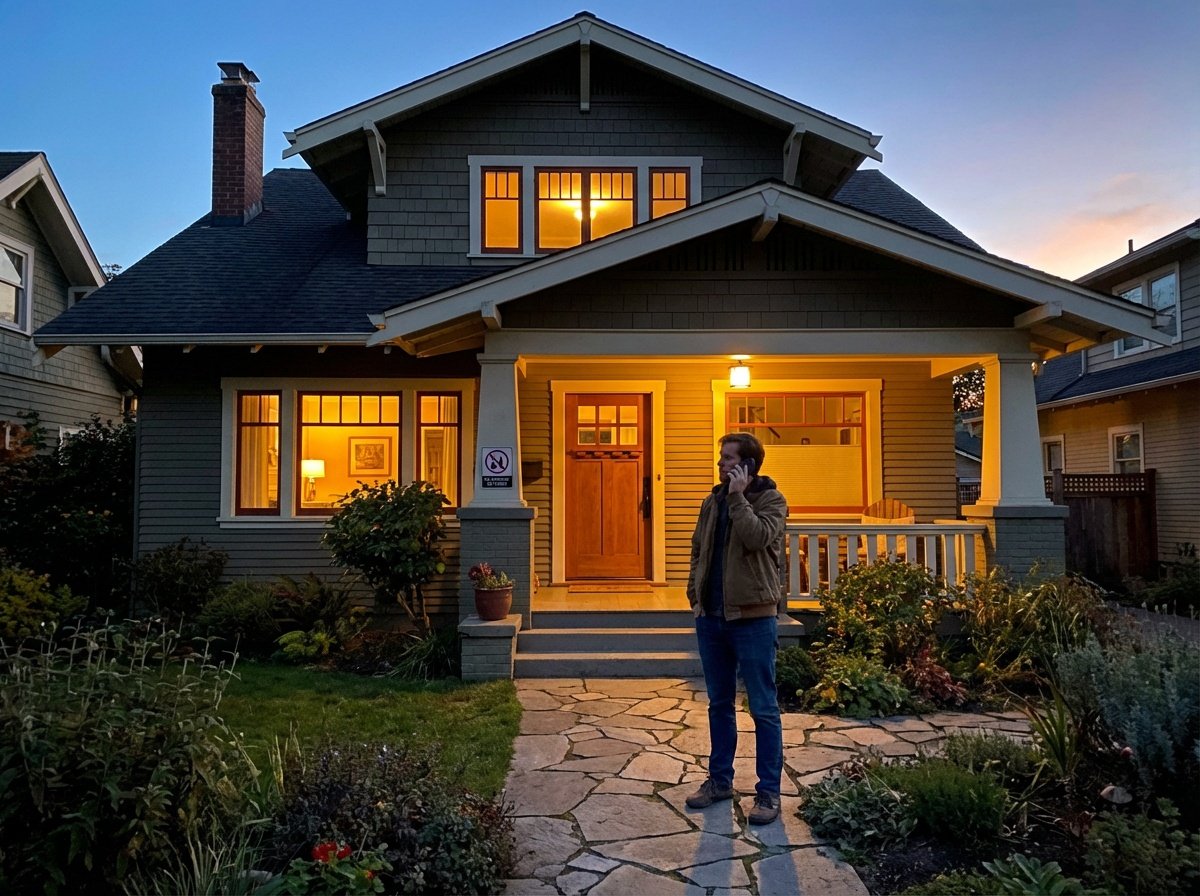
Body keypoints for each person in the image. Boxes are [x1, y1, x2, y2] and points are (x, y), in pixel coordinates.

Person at [685, 431, 787, 825]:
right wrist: (694, 594)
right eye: (721, 457)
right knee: (719, 704)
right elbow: (698, 549)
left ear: (748, 465)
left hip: (754, 619)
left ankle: (768, 792)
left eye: (729, 458)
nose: (721, 463)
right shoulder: (712, 501)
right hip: (711, 618)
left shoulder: (772, 500)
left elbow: (758, 536)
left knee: (763, 707)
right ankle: (720, 781)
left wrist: (739, 497)